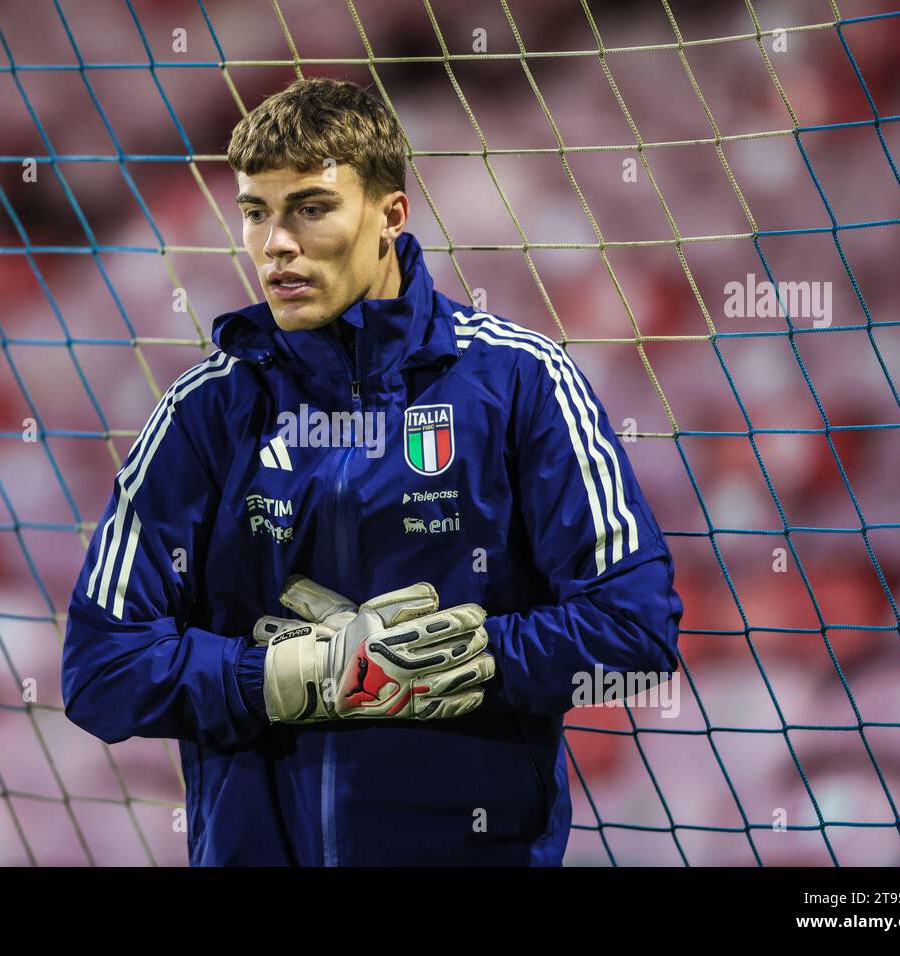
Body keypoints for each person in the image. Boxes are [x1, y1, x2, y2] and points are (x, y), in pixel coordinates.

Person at [61, 77, 683, 866]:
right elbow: (100, 670)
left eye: (311, 208)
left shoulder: (521, 382)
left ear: (391, 215)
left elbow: (636, 628)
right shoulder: (203, 414)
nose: (275, 244)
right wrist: (282, 678)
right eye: (256, 213)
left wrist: (466, 660)